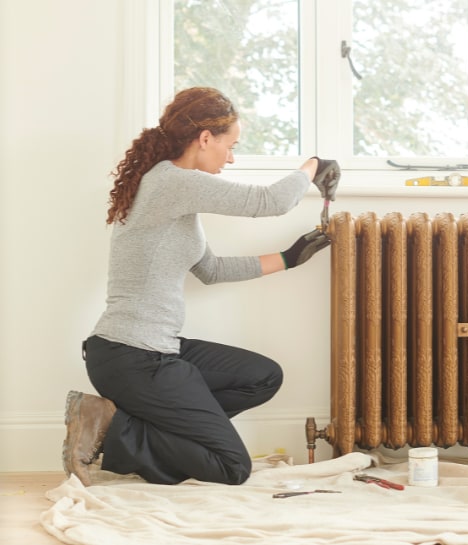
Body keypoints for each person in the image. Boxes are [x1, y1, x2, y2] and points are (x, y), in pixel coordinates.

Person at [62, 87, 340, 486]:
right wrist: (314, 165)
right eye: (230, 145)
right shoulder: (172, 182)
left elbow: (209, 269)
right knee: (233, 467)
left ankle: (144, 428)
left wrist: (288, 258)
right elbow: (270, 201)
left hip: (154, 349)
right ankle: (111, 431)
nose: (232, 157)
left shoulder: (172, 191)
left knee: (263, 376)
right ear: (205, 138)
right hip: (132, 355)